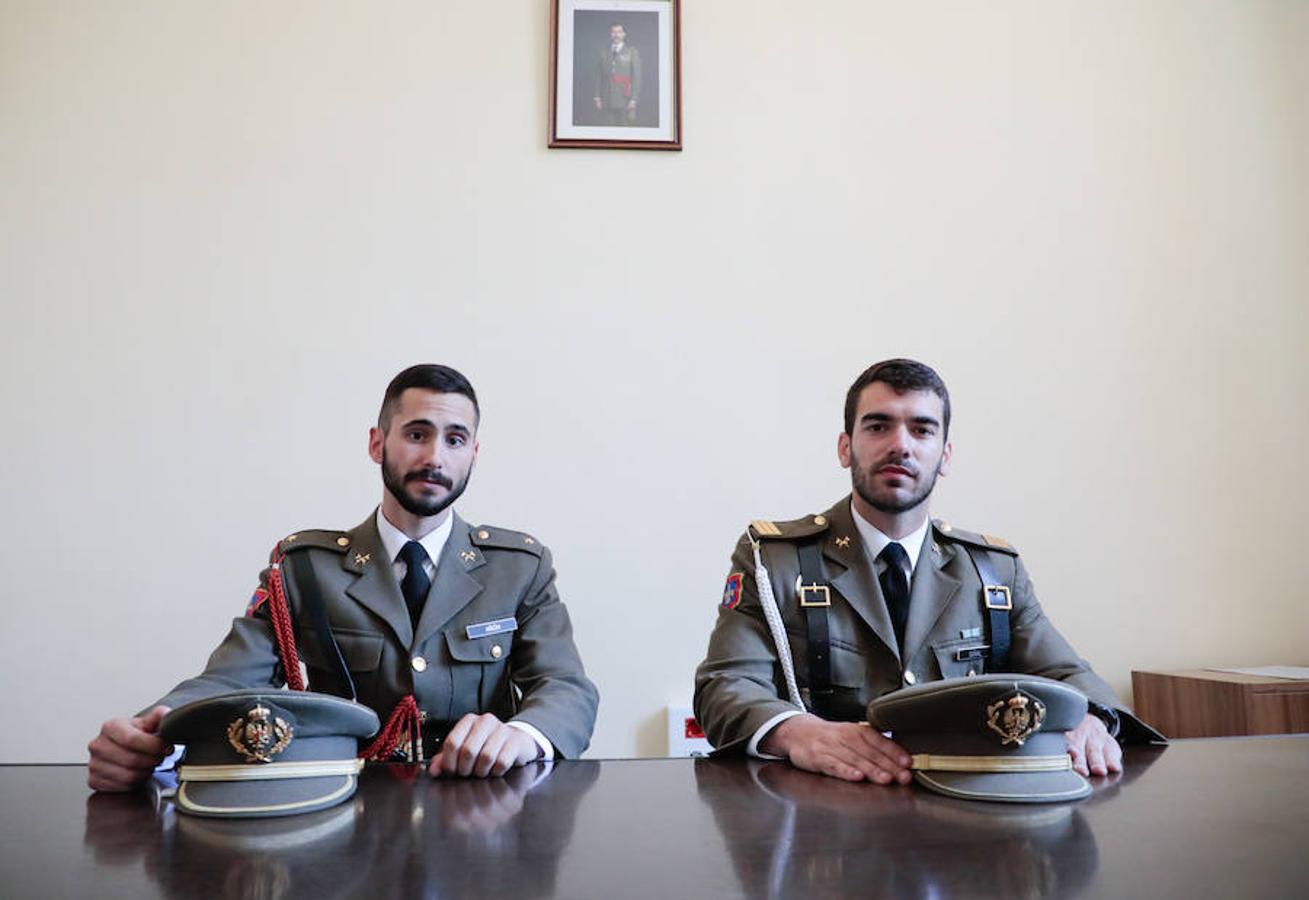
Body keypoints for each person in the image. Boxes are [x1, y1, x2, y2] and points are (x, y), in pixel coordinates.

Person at [89, 364, 599, 791]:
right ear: (378, 443)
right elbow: (229, 679)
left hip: (479, 806)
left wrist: (525, 734)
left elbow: (566, 687)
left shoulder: (518, 568)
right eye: (417, 434)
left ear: (474, 455)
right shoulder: (305, 568)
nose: (434, 457)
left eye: (455, 439)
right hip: (343, 805)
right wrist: (156, 734)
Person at [693, 358, 1159, 786]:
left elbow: (1067, 673)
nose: (900, 445)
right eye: (878, 426)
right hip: (828, 821)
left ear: (946, 455)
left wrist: (1092, 720)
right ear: (844, 447)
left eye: (921, 429)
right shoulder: (775, 560)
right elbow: (725, 687)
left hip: (970, 817)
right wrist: (798, 733)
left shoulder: (992, 571)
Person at [593, 23, 640, 125]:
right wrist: (597, 97)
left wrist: (633, 99)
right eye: (613, 32)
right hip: (607, 99)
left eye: (619, 32)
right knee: (607, 130)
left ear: (624, 34)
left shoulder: (631, 52)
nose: (616, 35)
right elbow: (598, 76)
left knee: (624, 130)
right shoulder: (603, 52)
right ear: (610, 34)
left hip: (624, 100)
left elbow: (636, 77)